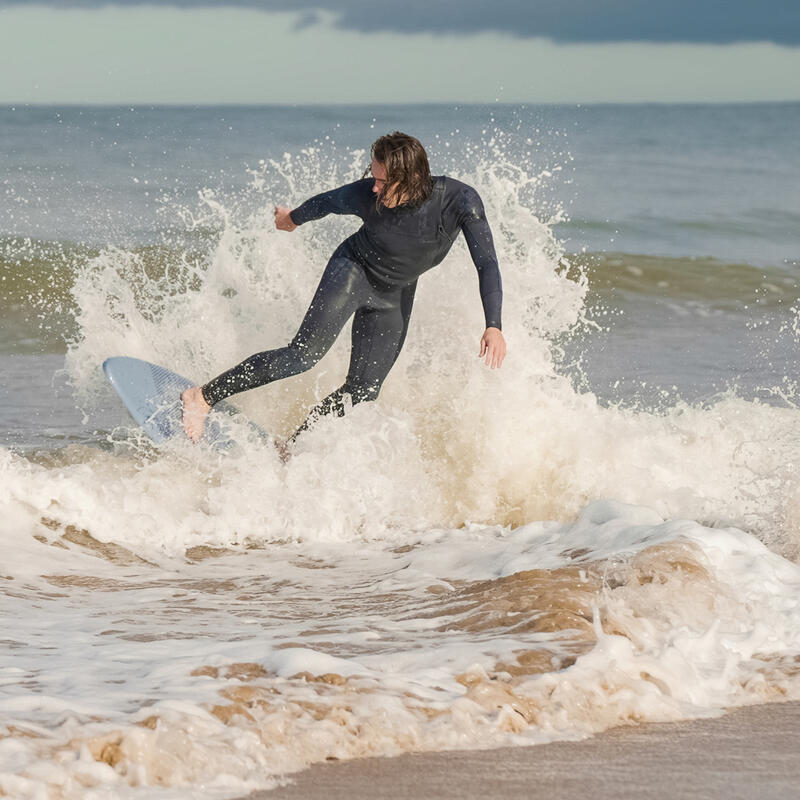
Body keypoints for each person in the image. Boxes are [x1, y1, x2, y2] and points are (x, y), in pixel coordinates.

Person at [181, 132, 506, 444]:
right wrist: (292, 218)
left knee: (364, 390)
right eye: (373, 176)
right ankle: (202, 397)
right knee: (302, 356)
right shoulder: (366, 195)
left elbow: (487, 263)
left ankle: (291, 446)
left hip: (395, 293)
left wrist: (493, 325)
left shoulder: (459, 201)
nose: (375, 189)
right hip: (353, 271)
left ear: (411, 179)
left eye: (382, 181)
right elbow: (328, 202)